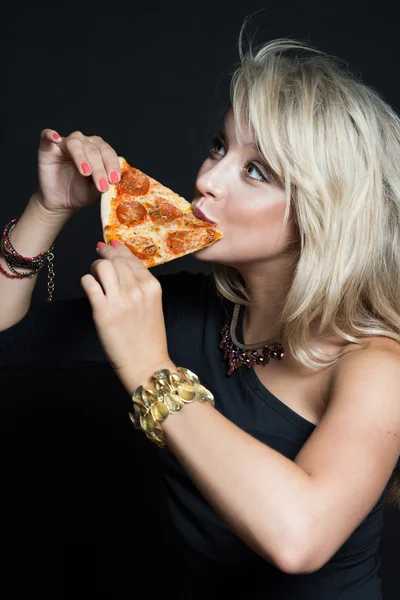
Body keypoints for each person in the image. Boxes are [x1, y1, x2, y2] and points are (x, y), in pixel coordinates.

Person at [1, 32, 400, 599]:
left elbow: (300, 538)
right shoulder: (189, 310)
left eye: (256, 170)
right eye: (219, 146)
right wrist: (47, 209)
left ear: (324, 208)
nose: (206, 180)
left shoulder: (376, 362)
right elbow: (5, 339)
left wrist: (148, 367)